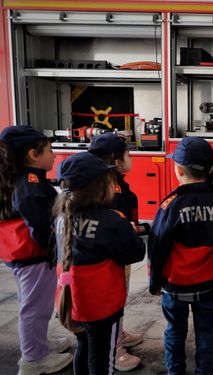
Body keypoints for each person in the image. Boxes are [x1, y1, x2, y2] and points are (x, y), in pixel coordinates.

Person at [148, 137, 213, 375]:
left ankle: (174, 372)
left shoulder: (169, 206)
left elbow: (156, 249)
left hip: (174, 286)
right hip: (208, 285)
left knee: (174, 331)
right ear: (210, 169)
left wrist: (154, 282)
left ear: (177, 169)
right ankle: (205, 371)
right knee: (206, 331)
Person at [54, 152, 146, 374]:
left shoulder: (59, 216)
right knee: (103, 359)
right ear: (99, 187)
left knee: (83, 347)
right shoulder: (111, 220)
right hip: (101, 306)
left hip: (69, 302)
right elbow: (134, 253)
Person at [0, 125, 73, 375]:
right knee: (35, 307)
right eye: (50, 150)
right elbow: (40, 224)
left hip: (27, 254)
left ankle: (38, 345)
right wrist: (56, 249)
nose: (54, 155)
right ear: (33, 154)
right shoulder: (29, 183)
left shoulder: (25, 178)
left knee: (35, 303)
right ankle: (33, 359)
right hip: (32, 255)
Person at [88, 132, 147, 371]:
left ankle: (118, 334)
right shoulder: (109, 188)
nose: (130, 158)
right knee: (113, 300)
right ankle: (116, 350)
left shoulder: (113, 181)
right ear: (115, 159)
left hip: (118, 252)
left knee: (119, 297)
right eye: (127, 154)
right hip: (112, 256)